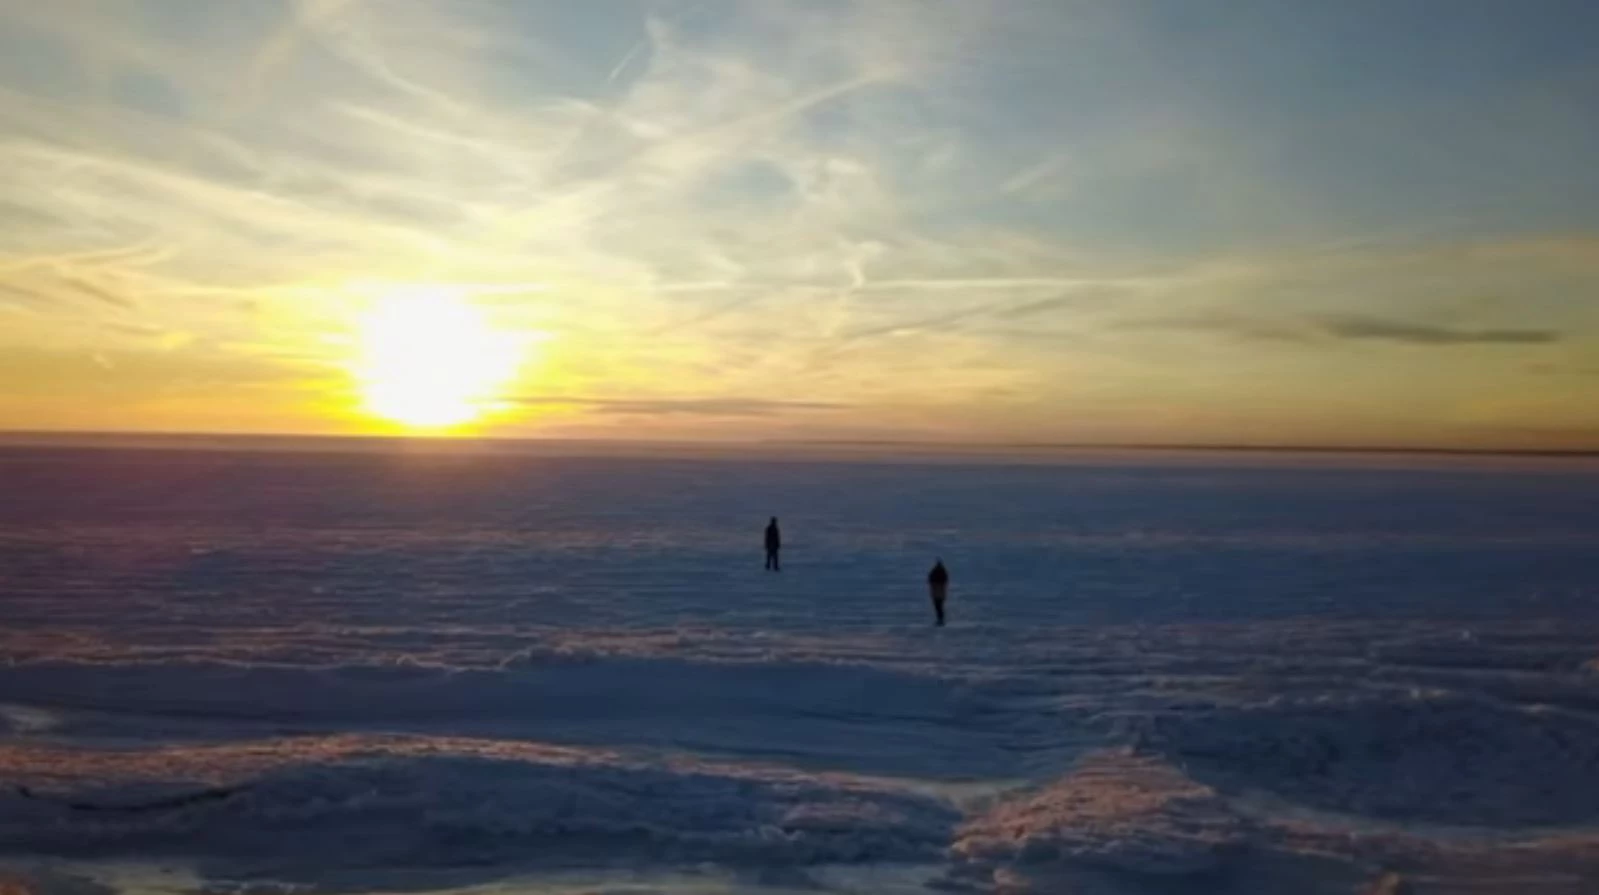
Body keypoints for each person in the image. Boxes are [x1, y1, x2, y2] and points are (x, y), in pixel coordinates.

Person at [928, 559, 949, 626]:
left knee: (938, 606)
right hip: (941, 592)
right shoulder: (943, 572)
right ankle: (940, 619)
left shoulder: (934, 572)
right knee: (940, 606)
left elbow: (930, 579)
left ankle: (940, 619)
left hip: (936, 591)